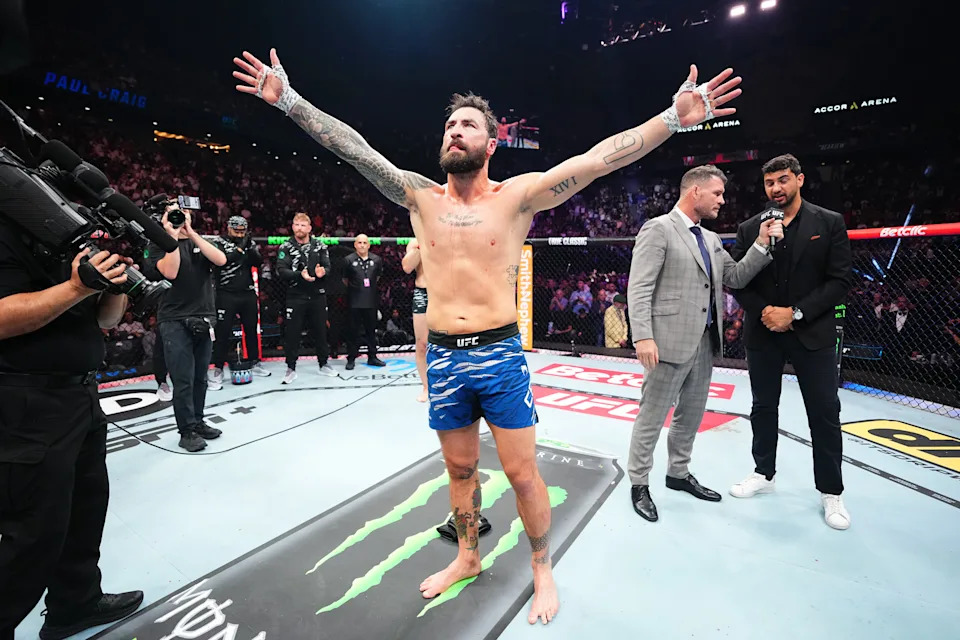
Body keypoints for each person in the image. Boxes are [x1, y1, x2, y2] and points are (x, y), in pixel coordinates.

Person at [233, 47, 741, 624]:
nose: (454, 131)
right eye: (449, 124)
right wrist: (291, 102)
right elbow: (353, 149)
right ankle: (469, 555)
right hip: (445, 358)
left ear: (490, 143)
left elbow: (598, 160)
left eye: (467, 124)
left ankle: (542, 565)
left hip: (499, 355)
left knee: (523, 474)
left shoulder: (518, 197)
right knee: (459, 472)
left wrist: (671, 120)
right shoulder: (418, 197)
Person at [0, 217, 144, 639]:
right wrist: (77, 286)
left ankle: (74, 603)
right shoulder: (6, 235)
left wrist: (113, 286)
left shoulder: (64, 240)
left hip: (80, 394)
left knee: (85, 508)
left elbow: (104, 321)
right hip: (26, 401)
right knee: (33, 531)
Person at [625, 165, 780, 523]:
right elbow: (640, 286)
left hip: (704, 343)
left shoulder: (709, 239)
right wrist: (643, 335)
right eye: (717, 194)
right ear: (695, 192)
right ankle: (638, 483)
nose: (722, 201)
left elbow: (736, 276)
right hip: (666, 341)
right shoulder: (658, 229)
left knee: (690, 416)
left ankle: (677, 474)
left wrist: (760, 243)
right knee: (652, 415)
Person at [727, 154, 853, 530]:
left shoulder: (829, 222)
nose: (776, 189)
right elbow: (736, 280)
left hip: (811, 331)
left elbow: (839, 281)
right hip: (763, 332)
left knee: (825, 411)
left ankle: (831, 491)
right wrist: (767, 310)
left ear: (800, 179)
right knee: (763, 406)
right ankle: (763, 473)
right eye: (769, 183)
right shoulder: (752, 227)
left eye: (783, 180)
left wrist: (794, 312)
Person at [142, 204, 227, 452]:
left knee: (201, 377)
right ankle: (186, 430)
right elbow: (171, 271)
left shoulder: (198, 240)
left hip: (203, 316)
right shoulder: (158, 244)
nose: (178, 217)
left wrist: (190, 232)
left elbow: (221, 259)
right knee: (183, 379)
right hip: (174, 319)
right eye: (172, 213)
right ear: (163, 218)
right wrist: (172, 235)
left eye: (180, 213)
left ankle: (198, 421)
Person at [276, 213, 337, 384]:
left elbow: (327, 267)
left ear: (309, 228)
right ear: (292, 227)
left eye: (303, 225)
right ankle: (291, 368)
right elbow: (281, 270)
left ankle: (324, 364)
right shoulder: (286, 246)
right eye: (296, 224)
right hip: (296, 296)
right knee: (292, 333)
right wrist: (299, 275)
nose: (299, 228)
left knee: (320, 331)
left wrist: (322, 272)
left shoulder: (319, 245)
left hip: (317, 295)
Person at [210, 215, 270, 384]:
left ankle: (254, 361)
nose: (239, 234)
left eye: (242, 231)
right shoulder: (219, 242)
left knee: (251, 329)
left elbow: (258, 262)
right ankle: (218, 367)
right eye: (236, 230)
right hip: (226, 293)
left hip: (247, 292)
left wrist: (249, 247)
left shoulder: (248, 242)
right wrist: (241, 246)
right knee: (222, 332)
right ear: (228, 228)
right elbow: (224, 261)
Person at [341, 234, 386, 370]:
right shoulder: (348, 260)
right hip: (354, 300)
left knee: (371, 331)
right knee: (353, 331)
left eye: (364, 243)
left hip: (371, 300)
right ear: (355, 245)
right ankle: (351, 358)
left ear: (369, 245)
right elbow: (345, 280)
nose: (362, 245)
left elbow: (377, 277)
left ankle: (372, 357)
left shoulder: (376, 260)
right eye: (359, 242)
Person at [401, 237, 429, 401]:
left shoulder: (447, 237)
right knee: (422, 344)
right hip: (423, 293)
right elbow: (407, 267)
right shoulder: (415, 241)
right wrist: (420, 246)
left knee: (449, 342)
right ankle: (426, 387)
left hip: (444, 294)